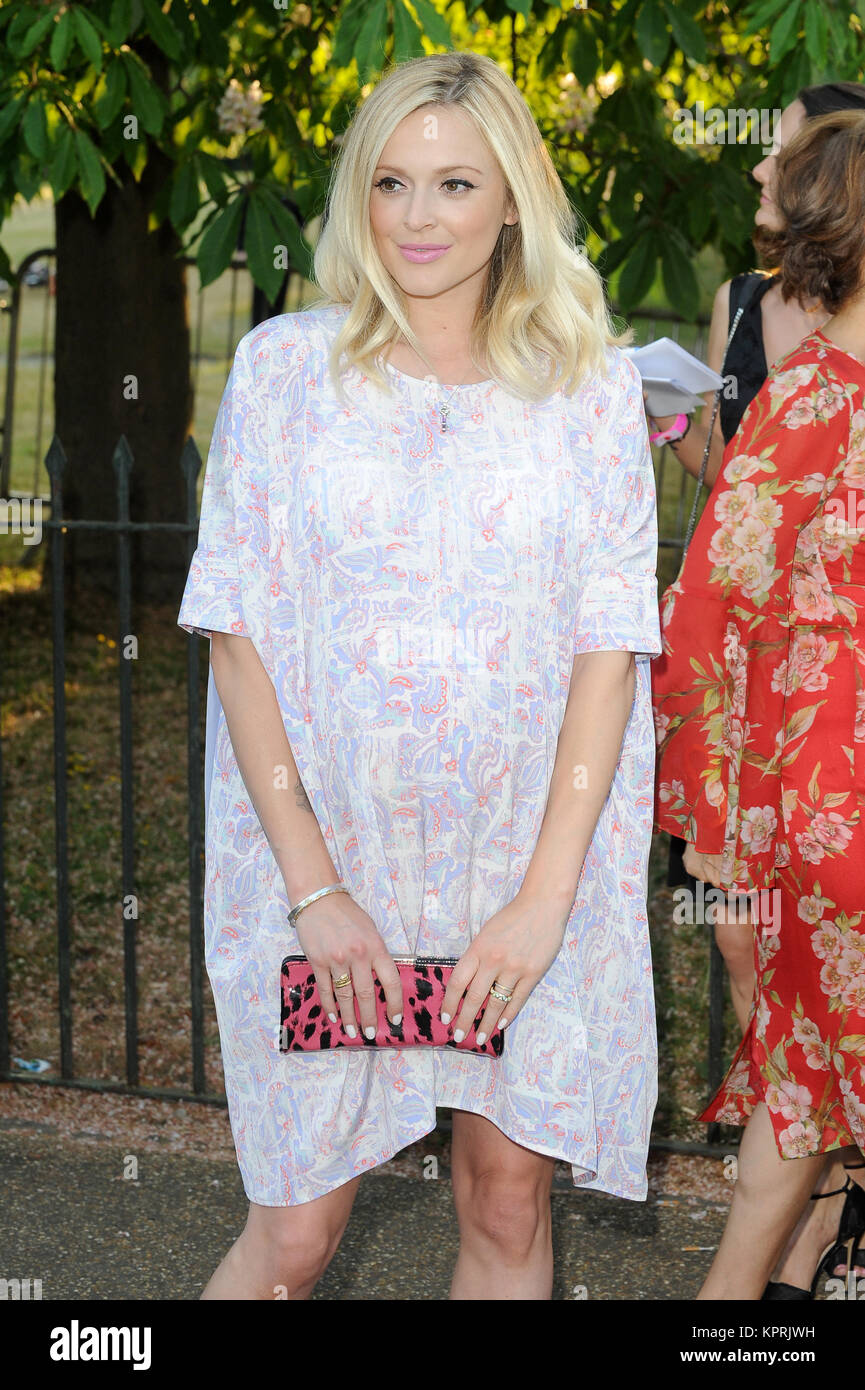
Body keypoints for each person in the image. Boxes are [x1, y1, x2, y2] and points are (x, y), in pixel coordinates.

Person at [177, 49, 661, 1301]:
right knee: (296, 1234)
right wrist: (315, 892)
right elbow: (237, 633)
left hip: (524, 884)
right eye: (389, 183)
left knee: (504, 1202)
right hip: (336, 885)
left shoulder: (592, 388)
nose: (416, 217)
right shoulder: (288, 373)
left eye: (453, 184)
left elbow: (607, 655)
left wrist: (544, 904)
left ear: (512, 199)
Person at [650, 80, 865, 1297]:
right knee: (800, 1091)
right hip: (823, 812)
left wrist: (718, 830)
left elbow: (708, 622)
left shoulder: (812, 399)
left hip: (813, 806)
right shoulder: (808, 392)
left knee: (797, 1090)